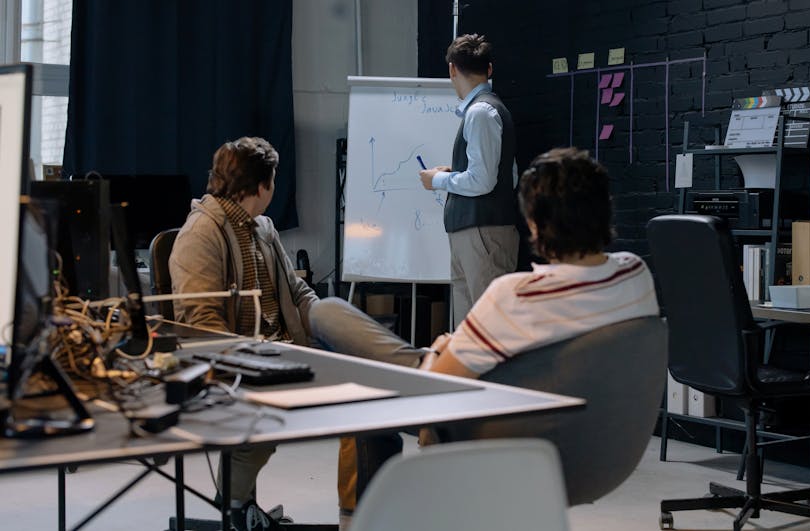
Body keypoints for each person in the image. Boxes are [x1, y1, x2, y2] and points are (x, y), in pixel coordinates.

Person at [346, 146, 660, 522]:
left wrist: (441, 349)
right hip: (603, 457)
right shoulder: (635, 274)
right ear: (605, 211)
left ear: (535, 225)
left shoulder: (516, 295)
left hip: (500, 445)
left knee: (346, 344)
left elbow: (436, 389)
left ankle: (360, 520)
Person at [169, 137, 426, 531]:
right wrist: (259, 361)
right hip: (245, 363)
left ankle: (364, 519)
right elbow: (203, 328)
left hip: (288, 351)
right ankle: (425, 368)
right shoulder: (200, 236)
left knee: (366, 384)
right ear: (263, 186)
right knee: (352, 376)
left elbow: (299, 295)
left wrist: (330, 323)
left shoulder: (262, 228)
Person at [419, 34, 519, 324]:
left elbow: (483, 180)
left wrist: (437, 181)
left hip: (481, 230)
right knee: (474, 324)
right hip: (478, 231)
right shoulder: (486, 110)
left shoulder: (480, 112)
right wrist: (454, 173)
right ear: (489, 69)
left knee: (487, 325)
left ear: (452, 69)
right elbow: (505, 175)